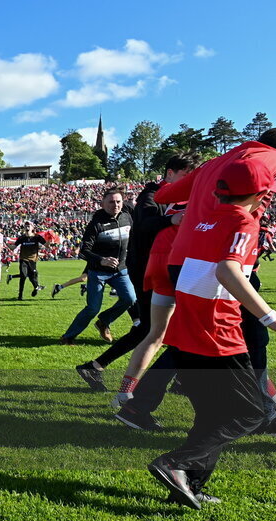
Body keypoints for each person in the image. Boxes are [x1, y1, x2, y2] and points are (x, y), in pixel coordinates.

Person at [148, 156, 276, 509]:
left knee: (211, 415)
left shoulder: (205, 218)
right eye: (268, 191)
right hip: (217, 333)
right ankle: (175, 463)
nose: (270, 198)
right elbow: (227, 271)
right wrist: (272, 318)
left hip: (189, 328)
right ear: (259, 192)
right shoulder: (243, 223)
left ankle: (189, 483)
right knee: (250, 414)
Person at [75, 155, 198, 390]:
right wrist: (173, 219)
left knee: (154, 328)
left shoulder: (180, 196)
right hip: (148, 270)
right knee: (162, 328)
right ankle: (170, 382)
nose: (189, 181)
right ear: (170, 173)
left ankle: (96, 367)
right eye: (185, 175)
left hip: (167, 268)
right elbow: (145, 224)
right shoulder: (152, 194)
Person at [60, 189, 136, 345]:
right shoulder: (96, 223)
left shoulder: (127, 217)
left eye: (118, 201)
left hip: (121, 270)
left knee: (130, 299)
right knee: (93, 308)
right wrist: (101, 260)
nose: (115, 205)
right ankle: (68, 336)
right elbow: (84, 251)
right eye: (111, 202)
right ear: (102, 203)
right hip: (98, 272)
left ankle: (104, 322)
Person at [9, 222, 46, 300]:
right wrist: (5, 243)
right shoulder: (22, 238)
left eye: (29, 225)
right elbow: (13, 247)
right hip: (23, 259)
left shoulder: (37, 237)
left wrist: (50, 240)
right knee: (23, 276)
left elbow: (46, 244)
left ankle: (36, 288)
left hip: (33, 260)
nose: (27, 226)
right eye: (25, 225)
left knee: (33, 277)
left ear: (32, 227)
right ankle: (20, 295)